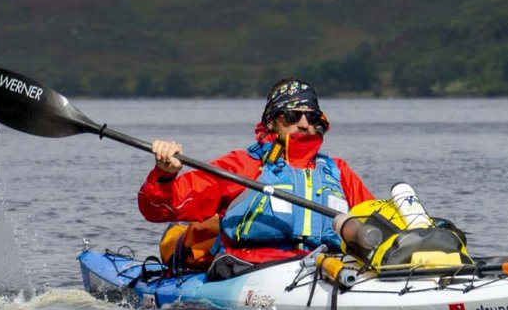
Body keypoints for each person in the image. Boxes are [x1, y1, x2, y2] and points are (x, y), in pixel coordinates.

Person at [138, 78, 375, 274]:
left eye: (312, 117)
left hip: (327, 268)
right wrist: (165, 174)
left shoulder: (337, 170)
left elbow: (376, 218)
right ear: (272, 122)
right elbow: (160, 210)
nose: (304, 124)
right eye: (292, 116)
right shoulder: (240, 166)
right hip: (250, 270)